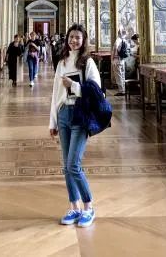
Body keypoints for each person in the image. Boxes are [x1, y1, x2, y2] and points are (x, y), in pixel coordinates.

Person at [49, 23, 101, 228]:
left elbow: (96, 90)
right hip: (63, 114)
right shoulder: (62, 61)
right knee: (66, 166)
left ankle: (88, 207)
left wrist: (74, 86)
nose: (74, 40)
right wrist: (52, 121)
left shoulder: (87, 62)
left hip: (80, 115)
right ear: (67, 39)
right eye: (71, 37)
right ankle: (74, 206)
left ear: (83, 40)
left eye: (78, 37)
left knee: (73, 164)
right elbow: (56, 93)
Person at [112, 29, 129, 96]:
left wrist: (112, 59)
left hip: (117, 60)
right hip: (122, 60)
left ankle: (121, 91)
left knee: (118, 75)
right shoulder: (124, 40)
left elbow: (115, 49)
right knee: (122, 75)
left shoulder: (118, 40)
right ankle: (124, 89)